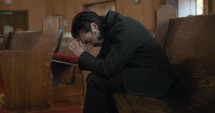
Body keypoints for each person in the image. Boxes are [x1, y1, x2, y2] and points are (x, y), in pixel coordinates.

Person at [69, 10, 173, 113]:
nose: (91, 46)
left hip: (154, 78)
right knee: (94, 78)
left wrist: (82, 55)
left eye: (88, 41)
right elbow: (103, 61)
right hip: (139, 71)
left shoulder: (123, 29)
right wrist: (84, 57)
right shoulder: (109, 28)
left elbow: (107, 69)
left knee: (95, 81)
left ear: (94, 26)